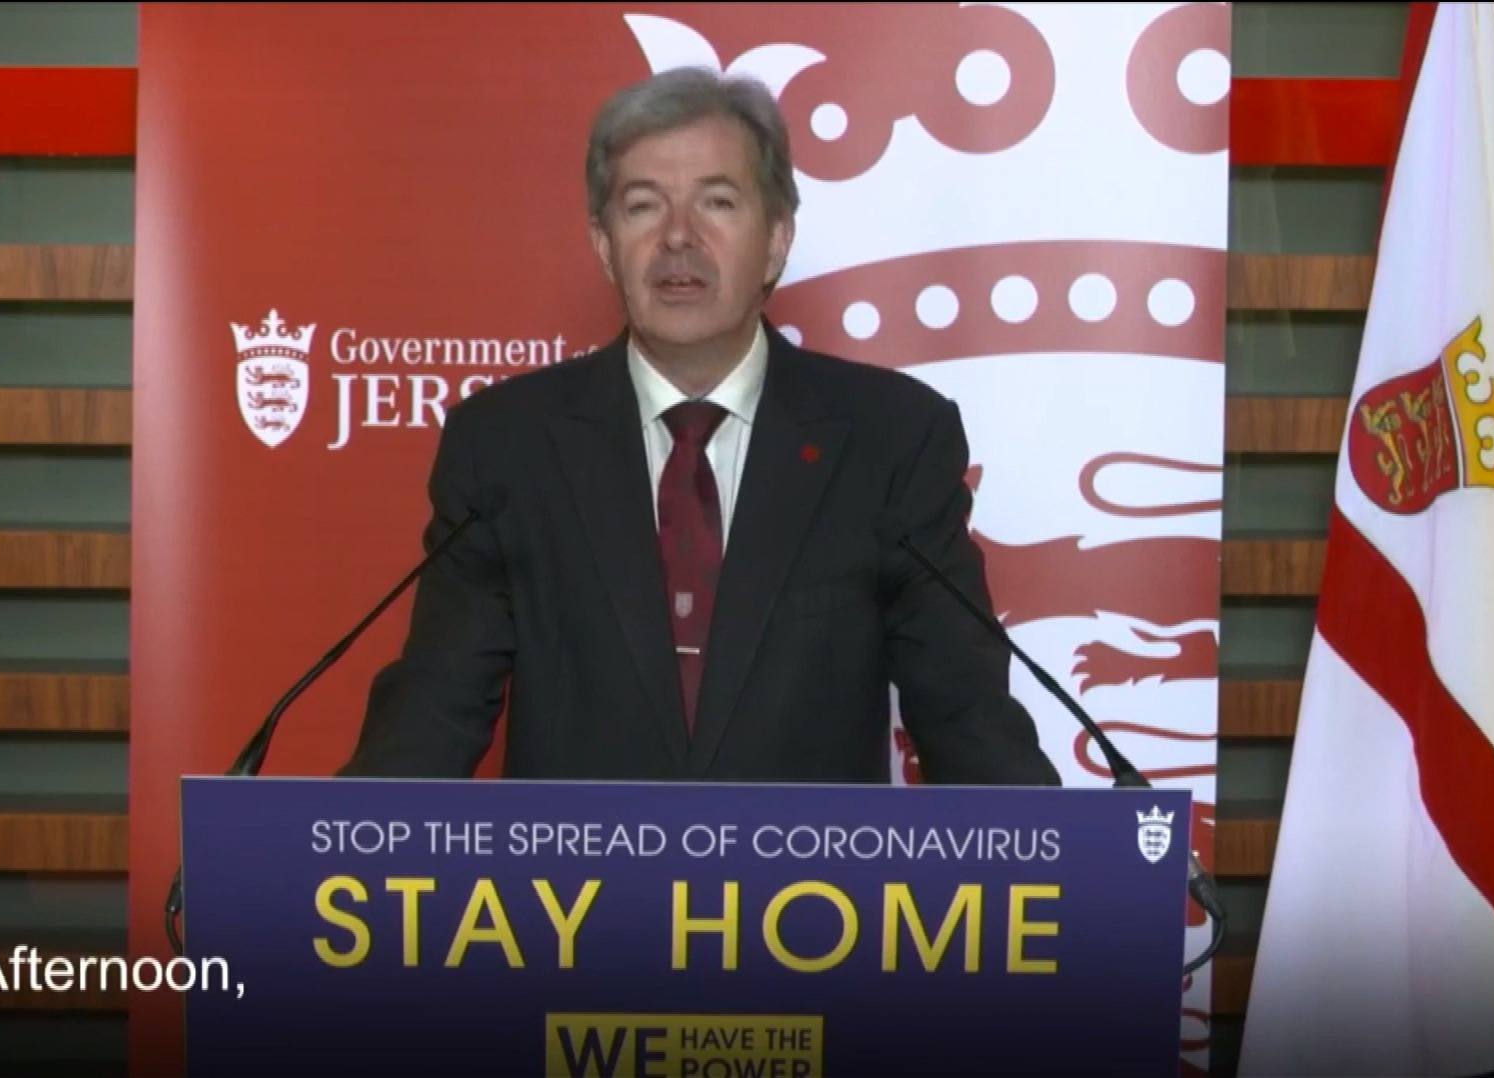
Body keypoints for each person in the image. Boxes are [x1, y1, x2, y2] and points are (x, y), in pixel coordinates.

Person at [341, 67, 1058, 787]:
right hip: (579, 864)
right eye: (643, 206)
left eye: (717, 202)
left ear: (776, 240)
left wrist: (1071, 851)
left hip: (804, 864)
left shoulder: (891, 440)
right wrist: (330, 839)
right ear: (604, 244)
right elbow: (430, 716)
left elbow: (967, 718)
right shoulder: (506, 447)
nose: (678, 237)